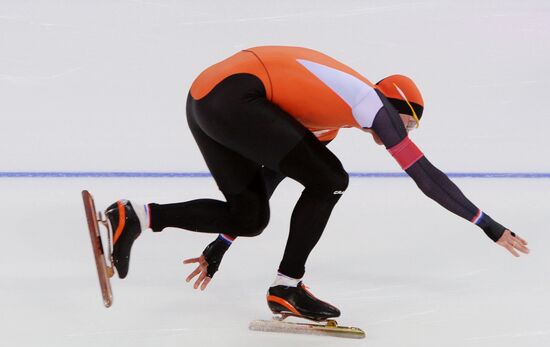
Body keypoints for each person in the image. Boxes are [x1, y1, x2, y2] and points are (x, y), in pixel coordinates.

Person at [103, 46, 529, 321]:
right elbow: (426, 176)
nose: (404, 134)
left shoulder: (326, 121)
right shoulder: (370, 101)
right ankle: (287, 285)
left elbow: (269, 177)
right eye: (408, 124)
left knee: (251, 215)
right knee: (333, 179)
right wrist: (488, 225)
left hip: (206, 101)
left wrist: (221, 243)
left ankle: (136, 217)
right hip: (232, 94)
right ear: (395, 103)